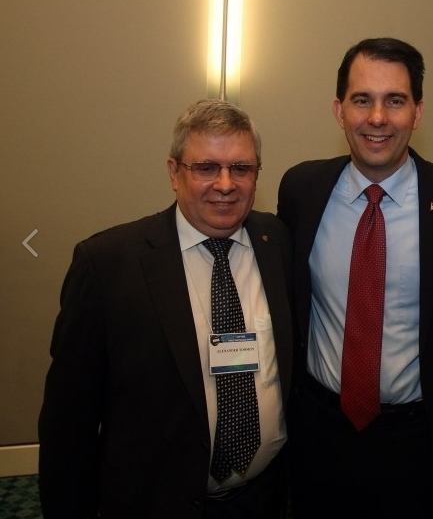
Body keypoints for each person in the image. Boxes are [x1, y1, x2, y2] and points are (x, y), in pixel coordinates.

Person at [38, 99, 294, 518]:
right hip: (155, 504)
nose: (226, 184)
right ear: (174, 173)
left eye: (241, 168)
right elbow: (69, 421)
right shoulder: (107, 265)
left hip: (264, 500)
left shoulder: (278, 242)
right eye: (206, 167)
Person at [277, 37, 433, 518]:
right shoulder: (301, 188)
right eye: (361, 100)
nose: (377, 118)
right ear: (338, 110)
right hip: (318, 435)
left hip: (415, 444)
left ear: (418, 112)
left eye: (394, 100)